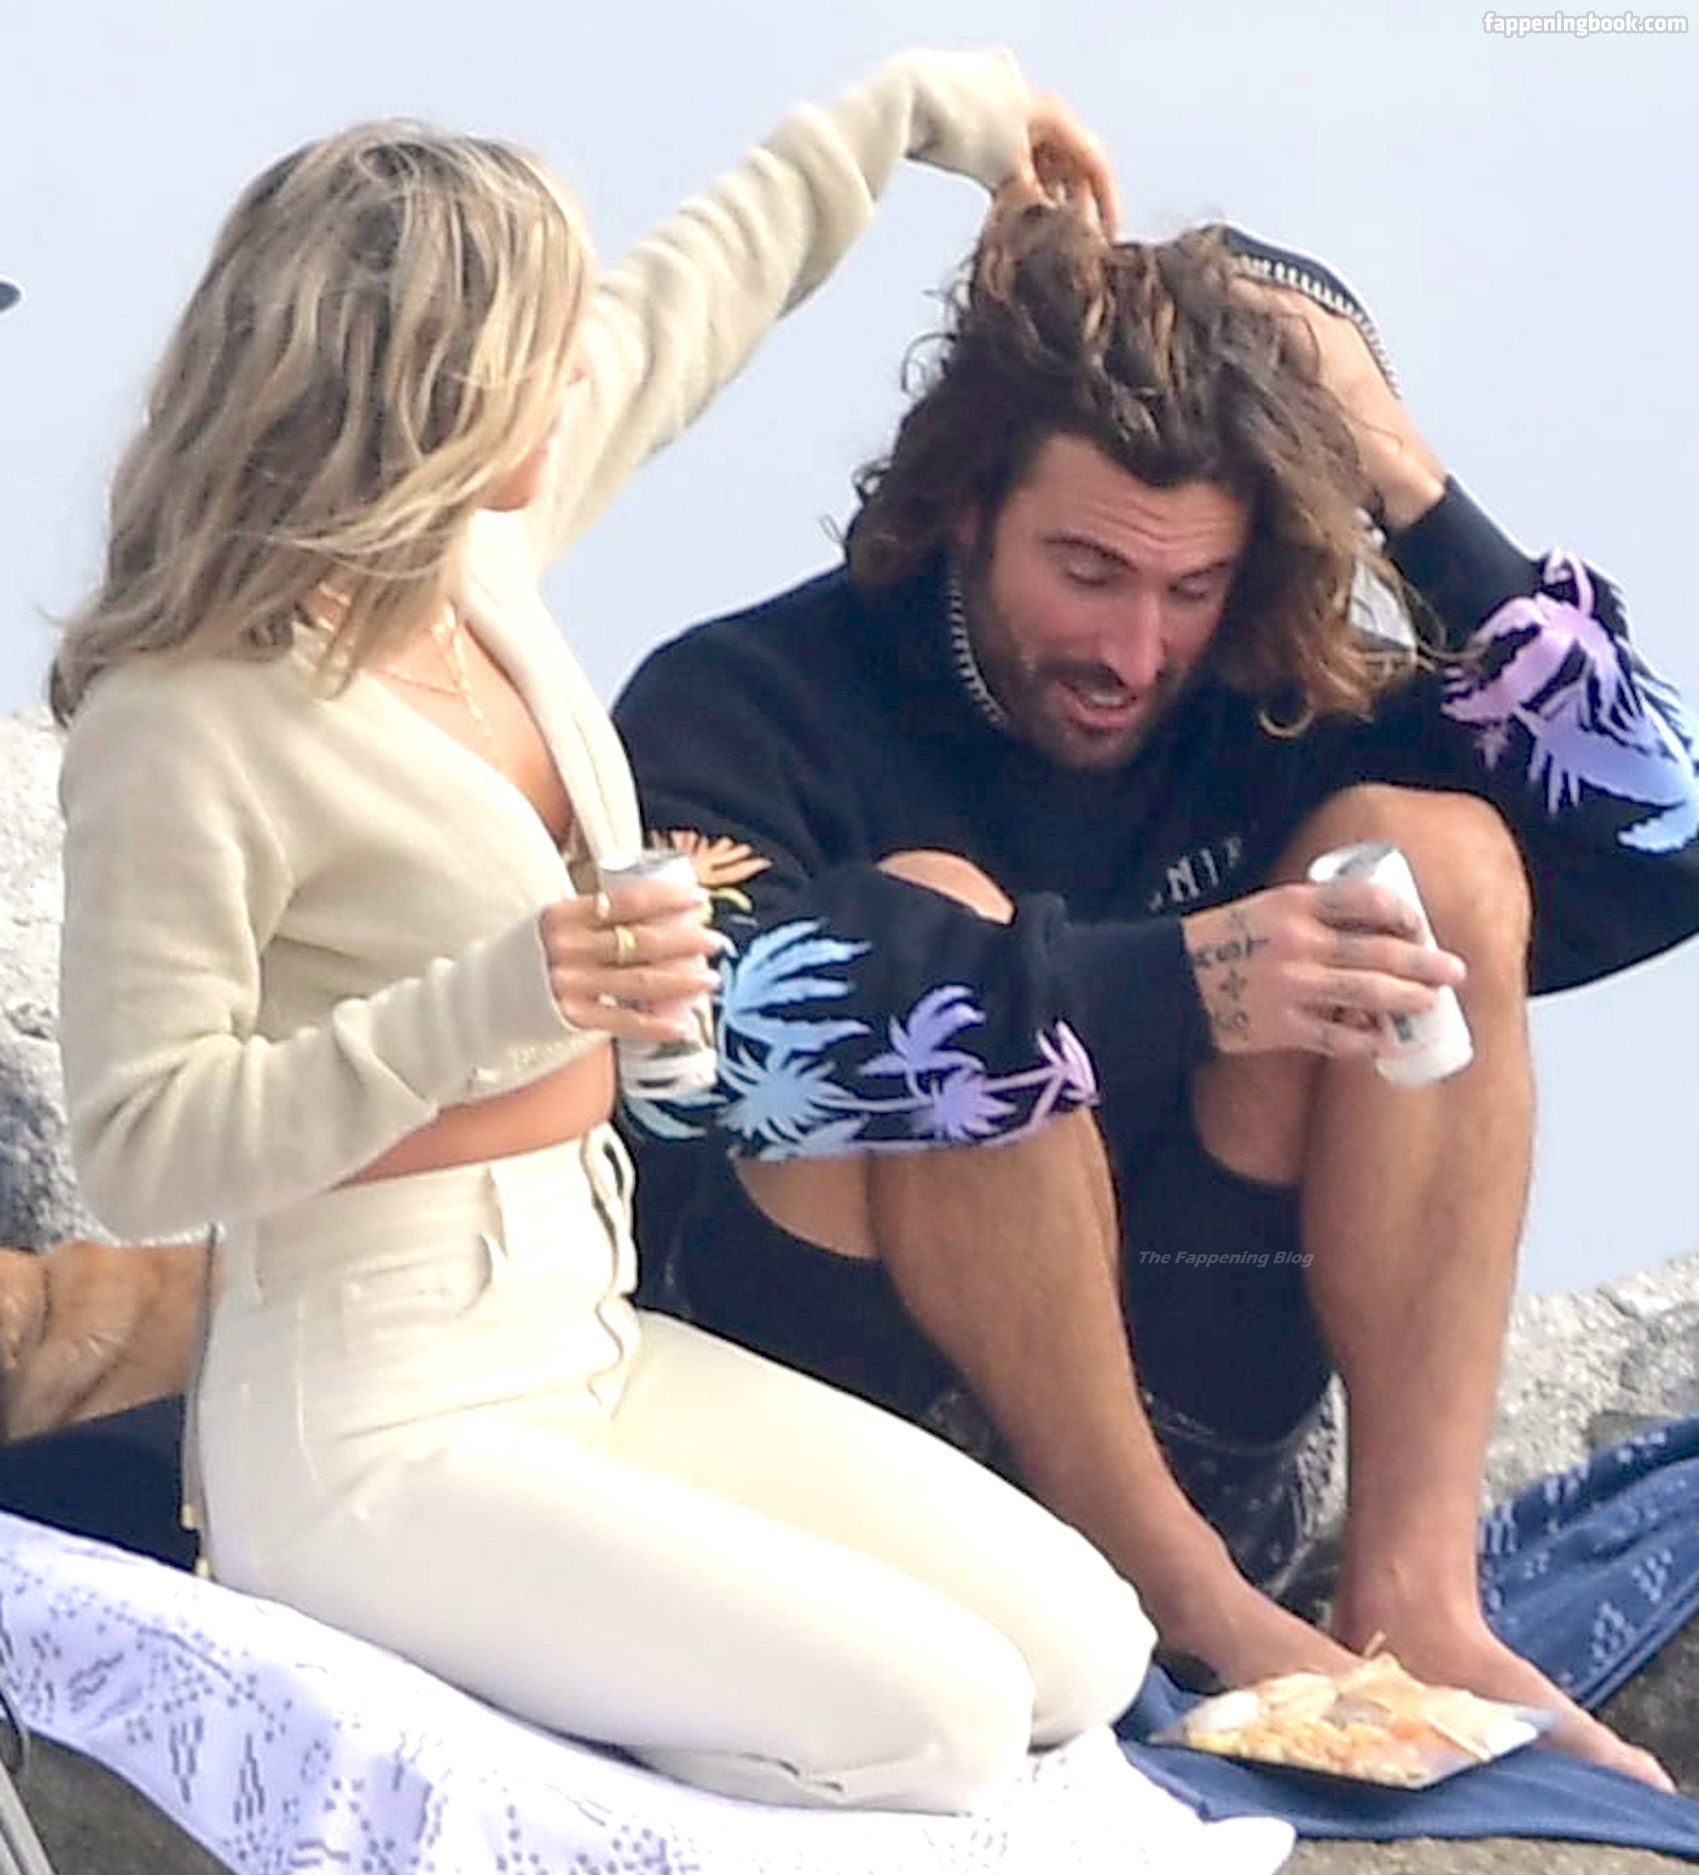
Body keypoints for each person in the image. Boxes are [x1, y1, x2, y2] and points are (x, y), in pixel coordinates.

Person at [49, 57, 1158, 1814]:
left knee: (1085, 1650)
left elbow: (693, 302)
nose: (586, 368)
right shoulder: (182, 723)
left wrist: (907, 113)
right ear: (439, 383)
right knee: (938, 1722)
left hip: (585, 1341)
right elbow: (138, 1144)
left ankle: (598, 1700)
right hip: (369, 1428)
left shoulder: (476, 575)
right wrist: (505, 997)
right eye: (547, 346)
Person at [613, 206, 1699, 1788]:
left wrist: (1402, 476)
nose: (1136, 649)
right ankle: (1194, 1621)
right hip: (853, 1458)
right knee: (939, 935)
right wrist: (1184, 985)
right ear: (966, 508)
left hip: (1211, 1424)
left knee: (1438, 864)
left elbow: (1663, 842)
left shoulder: (1266, 695)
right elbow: (691, 1050)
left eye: (1192, 588)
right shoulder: (746, 698)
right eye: (1089, 570)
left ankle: (1415, 1605)